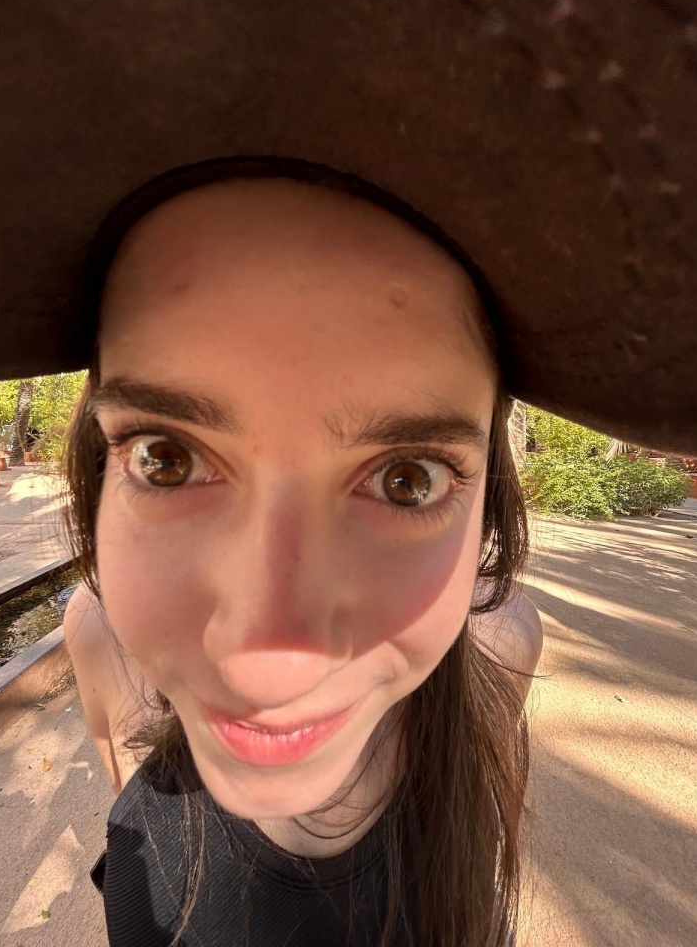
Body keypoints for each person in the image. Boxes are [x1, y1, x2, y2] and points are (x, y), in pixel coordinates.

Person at [60, 171, 542, 947]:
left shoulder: (504, 651)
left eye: (406, 480)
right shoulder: (101, 642)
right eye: (167, 459)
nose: (270, 675)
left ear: (491, 498)